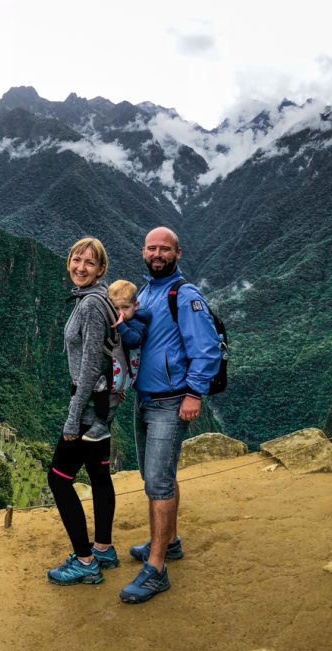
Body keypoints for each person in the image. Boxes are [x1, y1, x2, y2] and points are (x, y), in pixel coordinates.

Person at [119, 227, 222, 604]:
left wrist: (195, 393)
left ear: (178, 254)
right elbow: (139, 340)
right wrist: (124, 323)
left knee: (158, 484)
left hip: (170, 400)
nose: (157, 253)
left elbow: (207, 347)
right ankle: (169, 541)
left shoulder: (185, 295)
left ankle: (157, 568)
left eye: (165, 249)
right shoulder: (145, 293)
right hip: (144, 400)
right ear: (143, 252)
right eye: (152, 248)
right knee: (155, 477)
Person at [46, 237, 119, 587]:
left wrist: (73, 418)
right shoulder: (103, 299)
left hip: (88, 409)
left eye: (89, 263)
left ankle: (85, 560)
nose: (81, 267)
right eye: (77, 260)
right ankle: (103, 547)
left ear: (101, 269)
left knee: (58, 480)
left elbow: (90, 367)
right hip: (103, 410)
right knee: (99, 474)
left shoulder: (90, 305)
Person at [82, 279, 151, 442]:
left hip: (123, 368)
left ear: (136, 305)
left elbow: (134, 340)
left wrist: (121, 326)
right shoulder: (127, 319)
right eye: (115, 308)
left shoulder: (136, 324)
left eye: (125, 308)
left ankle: (101, 423)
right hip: (117, 366)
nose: (120, 313)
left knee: (100, 387)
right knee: (101, 387)